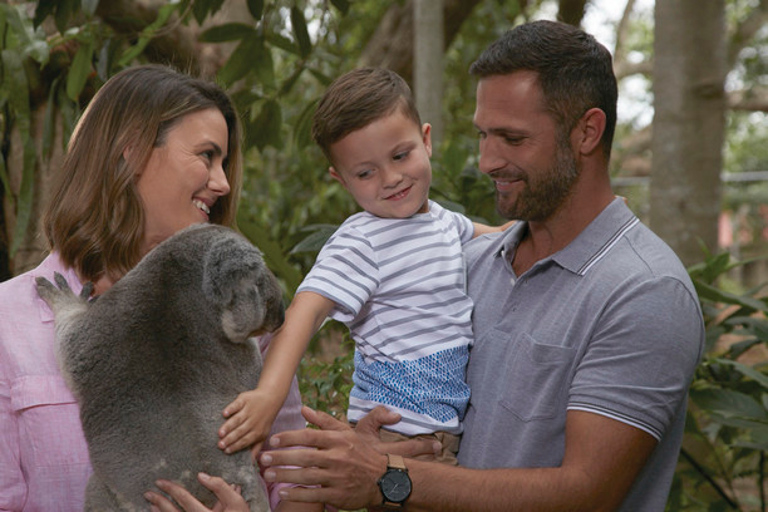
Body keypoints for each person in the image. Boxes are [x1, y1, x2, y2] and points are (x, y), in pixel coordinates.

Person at [257, 20, 706, 512]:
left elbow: (588, 494)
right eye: (483, 135)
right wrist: (369, 447)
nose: (487, 159)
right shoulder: (468, 260)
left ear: (587, 131)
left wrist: (390, 478)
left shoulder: (645, 291)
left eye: (512, 139)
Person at [0, 64, 315, 512]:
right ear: (130, 152)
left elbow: (297, 490)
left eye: (224, 162)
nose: (223, 183)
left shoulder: (240, 310)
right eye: (206, 156)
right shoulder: (8, 320)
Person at [216, 67, 510, 466]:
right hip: (396, 432)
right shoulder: (362, 240)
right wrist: (270, 394)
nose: (390, 179)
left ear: (426, 141)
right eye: (366, 173)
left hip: (445, 429)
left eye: (400, 155)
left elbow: (498, 235)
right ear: (342, 181)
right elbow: (306, 308)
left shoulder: (444, 221)